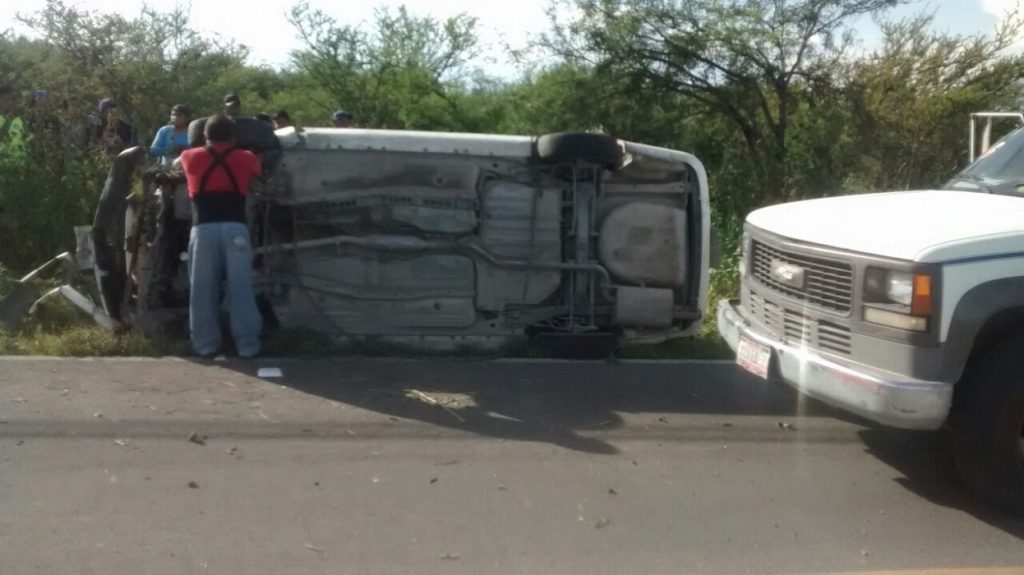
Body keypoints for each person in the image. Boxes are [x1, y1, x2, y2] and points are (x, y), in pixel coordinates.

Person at [179, 114, 263, 358]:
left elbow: (178, 165)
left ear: (204, 136)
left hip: (203, 229)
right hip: (235, 228)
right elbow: (259, 171)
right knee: (241, 288)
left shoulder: (189, 157)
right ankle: (247, 345)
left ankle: (205, 344)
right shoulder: (245, 158)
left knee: (202, 289)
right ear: (234, 137)